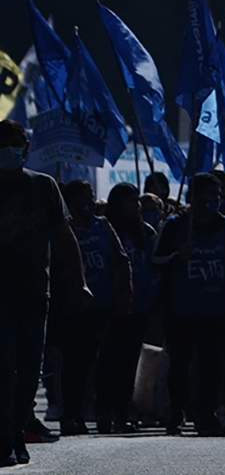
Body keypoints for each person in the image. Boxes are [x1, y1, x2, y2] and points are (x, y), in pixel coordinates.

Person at [0, 121, 88, 467]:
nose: (9, 147)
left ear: (25, 147)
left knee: (29, 368)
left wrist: (80, 280)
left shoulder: (44, 186)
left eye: (15, 142)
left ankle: (19, 428)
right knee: (4, 366)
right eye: (2, 141)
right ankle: (4, 436)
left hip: (35, 290)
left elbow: (65, 237)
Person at [152, 172, 225, 437]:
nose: (216, 200)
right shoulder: (176, 225)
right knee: (180, 364)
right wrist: (178, 257)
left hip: (216, 308)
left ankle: (206, 414)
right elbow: (155, 260)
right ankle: (177, 412)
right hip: (182, 309)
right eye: (210, 195)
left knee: (211, 366)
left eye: (218, 195)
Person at [52, 180, 128, 435]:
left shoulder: (103, 226)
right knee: (75, 363)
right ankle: (71, 414)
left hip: (103, 304)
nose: (91, 202)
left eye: (92, 197)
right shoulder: (60, 228)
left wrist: (124, 293)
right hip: (72, 308)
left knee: (103, 361)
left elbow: (120, 259)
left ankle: (103, 411)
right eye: (85, 198)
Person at [97, 183, 158, 434]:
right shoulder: (106, 229)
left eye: (138, 201)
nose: (137, 206)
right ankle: (103, 411)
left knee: (128, 363)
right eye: (131, 201)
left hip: (140, 306)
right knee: (107, 361)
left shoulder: (144, 232)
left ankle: (122, 413)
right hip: (112, 306)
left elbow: (154, 265)